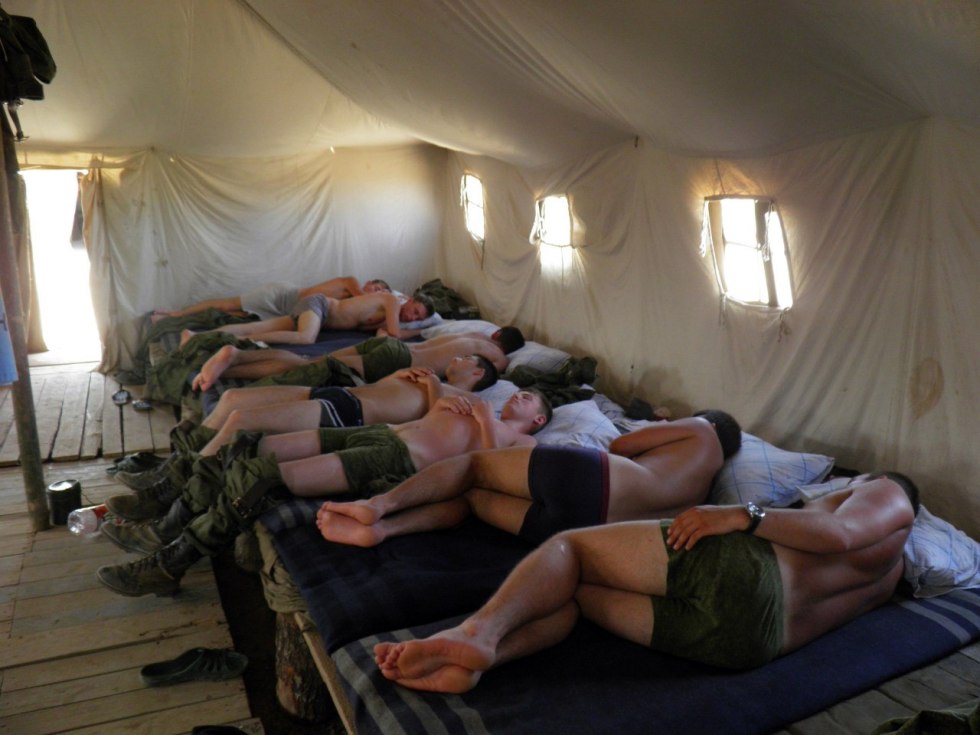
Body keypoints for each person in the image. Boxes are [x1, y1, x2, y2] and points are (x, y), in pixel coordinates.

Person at [371, 472, 919, 693]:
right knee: (574, 593)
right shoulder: (890, 577)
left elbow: (843, 533)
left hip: (745, 569)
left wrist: (744, 514)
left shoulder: (890, 493)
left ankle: (477, 633)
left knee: (571, 549)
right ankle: (484, 661)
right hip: (748, 646)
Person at [95, 389, 554, 598]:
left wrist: (480, 420)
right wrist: (442, 399)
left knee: (263, 476)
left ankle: (174, 557)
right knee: (256, 444)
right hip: (375, 433)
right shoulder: (480, 403)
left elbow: (489, 467)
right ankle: (171, 517)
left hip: (393, 462)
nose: (519, 396)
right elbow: (431, 407)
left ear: (538, 420)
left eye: (530, 398)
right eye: (521, 391)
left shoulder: (522, 441)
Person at [105, 356, 500, 521]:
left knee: (241, 421)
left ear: (477, 372)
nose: (457, 358)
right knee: (232, 398)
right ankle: (175, 470)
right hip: (338, 396)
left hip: (345, 414)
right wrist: (411, 376)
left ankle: (172, 492)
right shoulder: (433, 379)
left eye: (465, 359)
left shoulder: (464, 402)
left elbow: (428, 423)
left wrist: (432, 387)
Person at [317, 410, 741, 548]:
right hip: (582, 526)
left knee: (475, 467)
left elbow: (622, 447)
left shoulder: (702, 430)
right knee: (473, 501)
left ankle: (379, 507)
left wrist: (659, 421)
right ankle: (385, 531)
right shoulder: (704, 492)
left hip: (592, 478)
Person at [191, 326, 526, 391]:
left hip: (393, 348)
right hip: (393, 365)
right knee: (309, 372)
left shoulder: (474, 334)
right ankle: (237, 362)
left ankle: (236, 357)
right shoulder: (498, 357)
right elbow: (487, 378)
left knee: (307, 361)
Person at [180, 290, 435, 348]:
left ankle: (196, 336)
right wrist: (422, 331)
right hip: (320, 306)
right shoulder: (392, 301)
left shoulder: (391, 318)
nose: (411, 316)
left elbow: (385, 336)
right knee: (306, 338)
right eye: (415, 311)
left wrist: (412, 327)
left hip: (319, 315)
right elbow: (397, 334)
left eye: (417, 317)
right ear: (409, 299)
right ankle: (248, 340)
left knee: (254, 325)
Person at [153, 277, 390, 321]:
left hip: (287, 310)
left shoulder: (353, 305)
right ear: (369, 283)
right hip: (282, 296)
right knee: (228, 303)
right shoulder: (352, 282)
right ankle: (176, 313)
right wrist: (385, 299)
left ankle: (181, 317)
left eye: (380, 291)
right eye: (376, 287)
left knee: (237, 314)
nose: (375, 292)